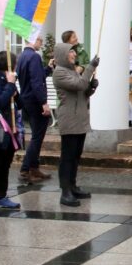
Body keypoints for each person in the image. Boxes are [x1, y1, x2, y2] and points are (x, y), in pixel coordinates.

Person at [52, 43, 99, 207]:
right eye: (71, 51)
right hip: (69, 119)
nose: (74, 54)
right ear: (62, 54)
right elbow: (79, 85)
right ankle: (65, 192)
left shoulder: (72, 71)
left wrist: (91, 88)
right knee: (68, 157)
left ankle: (72, 186)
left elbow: (82, 93)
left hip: (80, 118)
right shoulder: (59, 72)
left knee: (76, 156)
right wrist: (91, 67)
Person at [15, 35, 52, 184]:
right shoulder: (34, 56)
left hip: (26, 99)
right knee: (37, 136)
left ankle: (34, 167)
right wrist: (44, 102)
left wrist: (48, 68)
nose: (41, 44)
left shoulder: (22, 56)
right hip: (35, 101)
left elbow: (35, 77)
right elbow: (37, 82)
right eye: (40, 41)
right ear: (33, 40)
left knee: (36, 134)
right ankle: (25, 170)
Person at [0, 51, 21, 214]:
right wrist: (10, 85)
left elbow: (19, 103)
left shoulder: (9, 80)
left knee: (4, 166)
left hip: (9, 132)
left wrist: (14, 90)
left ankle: (1, 196)